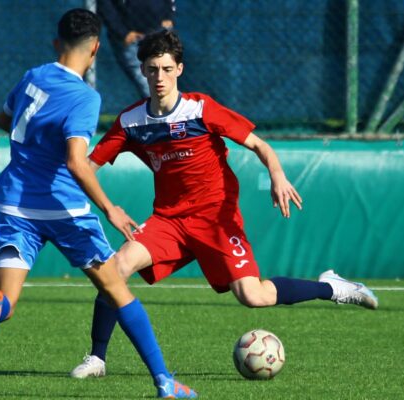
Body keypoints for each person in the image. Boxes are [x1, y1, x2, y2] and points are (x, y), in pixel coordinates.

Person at [70, 29, 379, 379]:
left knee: (253, 296)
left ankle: (333, 288)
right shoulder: (131, 121)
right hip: (169, 221)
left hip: (216, 220)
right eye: (153, 69)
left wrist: (277, 175)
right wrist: (102, 203)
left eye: (167, 69)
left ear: (180, 70)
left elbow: (261, 146)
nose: (160, 77)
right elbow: (86, 167)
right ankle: (97, 358)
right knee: (116, 268)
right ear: (142, 70)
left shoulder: (201, 109)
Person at [0, 10, 196, 398]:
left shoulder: (33, 77)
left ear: (57, 44)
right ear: (96, 48)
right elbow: (75, 161)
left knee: (7, 299)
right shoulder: (85, 97)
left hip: (14, 204)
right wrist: (110, 208)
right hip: (66, 210)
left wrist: (35, 143)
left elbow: (6, 120)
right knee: (118, 291)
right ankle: (165, 383)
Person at [97, 0, 175, 98]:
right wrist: (123, 33)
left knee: (165, 78)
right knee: (146, 84)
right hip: (130, 38)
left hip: (159, 30)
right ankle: (161, 110)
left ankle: (167, 110)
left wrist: (169, 16)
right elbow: (105, 6)